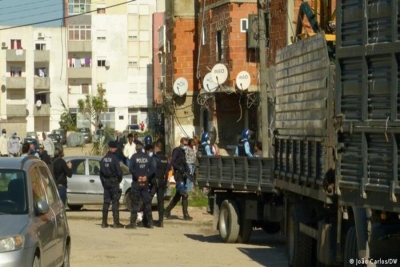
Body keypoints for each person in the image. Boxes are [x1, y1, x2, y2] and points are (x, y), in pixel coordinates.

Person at [126, 143, 155, 229]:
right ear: (142, 148)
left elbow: (131, 169)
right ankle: (150, 223)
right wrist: (146, 176)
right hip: (145, 183)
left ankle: (132, 223)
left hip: (137, 183)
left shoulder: (134, 157)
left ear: (136, 149)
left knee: (135, 203)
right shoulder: (147, 157)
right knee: (147, 203)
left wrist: (138, 177)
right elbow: (153, 169)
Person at [164, 137, 193, 221]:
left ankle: (167, 210)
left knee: (177, 196)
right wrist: (179, 168)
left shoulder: (183, 152)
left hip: (183, 175)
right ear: (181, 143)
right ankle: (185, 214)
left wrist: (188, 171)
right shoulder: (176, 151)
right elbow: (172, 162)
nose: (185, 146)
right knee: (184, 194)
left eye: (187, 145)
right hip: (178, 175)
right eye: (184, 144)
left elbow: (185, 163)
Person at [100, 141, 124, 229]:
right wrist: (118, 181)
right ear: (112, 148)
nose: (116, 149)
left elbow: (100, 174)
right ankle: (116, 223)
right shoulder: (114, 159)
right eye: (115, 148)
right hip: (114, 183)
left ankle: (104, 222)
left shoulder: (103, 159)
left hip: (106, 182)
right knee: (115, 202)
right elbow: (119, 173)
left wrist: (104, 183)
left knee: (106, 202)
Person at [149, 141, 169, 227]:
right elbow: (167, 171)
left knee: (148, 200)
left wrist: (148, 178)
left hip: (155, 181)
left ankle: (149, 220)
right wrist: (165, 181)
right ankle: (161, 222)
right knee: (161, 202)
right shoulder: (165, 158)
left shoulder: (155, 158)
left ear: (157, 148)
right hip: (162, 181)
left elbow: (152, 170)